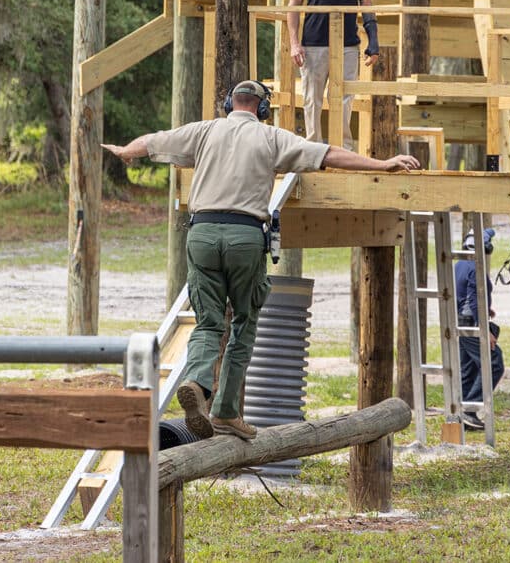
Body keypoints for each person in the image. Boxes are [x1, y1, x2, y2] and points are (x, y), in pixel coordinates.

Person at [103, 80, 419, 440]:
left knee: (207, 323)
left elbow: (154, 141)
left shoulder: (204, 131)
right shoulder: (272, 138)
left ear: (229, 104)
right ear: (262, 108)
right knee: (244, 322)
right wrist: (382, 162)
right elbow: (328, 153)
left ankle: (197, 382)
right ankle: (224, 411)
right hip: (244, 236)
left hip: (202, 233)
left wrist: (126, 150)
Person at [287, 0, 379, 151]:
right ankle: (312, 150)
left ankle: (343, 151)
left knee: (345, 98)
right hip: (313, 44)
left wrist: (373, 42)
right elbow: (293, 5)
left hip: (348, 44)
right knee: (311, 99)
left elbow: (367, 4)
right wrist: (294, 43)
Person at [454, 228, 505, 431]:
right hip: (470, 324)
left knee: (468, 368)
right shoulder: (475, 267)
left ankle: (464, 414)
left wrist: (485, 309)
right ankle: (469, 409)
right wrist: (485, 330)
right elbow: (474, 301)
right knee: (494, 362)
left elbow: (467, 296)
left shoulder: (460, 264)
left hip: (460, 321)